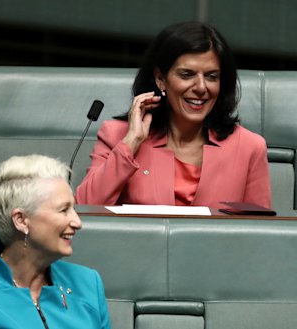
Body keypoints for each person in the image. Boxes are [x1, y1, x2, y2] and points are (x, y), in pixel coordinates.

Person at [75, 21, 271, 209]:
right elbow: (84, 210)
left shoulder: (249, 147)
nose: (201, 87)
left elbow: (259, 232)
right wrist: (131, 142)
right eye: (187, 74)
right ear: (161, 79)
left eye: (211, 76)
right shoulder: (117, 135)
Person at [0, 155, 111, 328]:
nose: (77, 222)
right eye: (64, 210)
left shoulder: (88, 282)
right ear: (21, 220)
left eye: (74, 209)